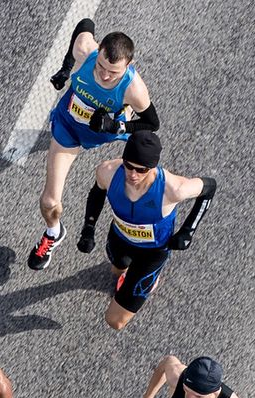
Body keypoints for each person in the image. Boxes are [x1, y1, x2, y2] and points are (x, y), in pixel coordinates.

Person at [28, 22, 158, 270]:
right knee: (49, 201)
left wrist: (115, 127)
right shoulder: (86, 50)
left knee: (148, 153)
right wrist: (66, 69)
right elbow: (85, 24)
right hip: (69, 131)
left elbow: (152, 122)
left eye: (113, 72)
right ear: (97, 52)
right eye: (101, 66)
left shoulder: (134, 89)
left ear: (127, 67)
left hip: (105, 134)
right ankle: (54, 232)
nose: (105, 75)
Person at [72, 130, 217, 330]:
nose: (132, 174)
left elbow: (210, 188)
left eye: (141, 170)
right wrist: (88, 228)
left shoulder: (173, 189)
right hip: (120, 237)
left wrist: (188, 231)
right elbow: (97, 193)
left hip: (152, 253)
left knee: (115, 321)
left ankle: (146, 279)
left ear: (152, 166)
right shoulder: (108, 171)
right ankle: (125, 274)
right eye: (128, 166)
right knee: (117, 268)